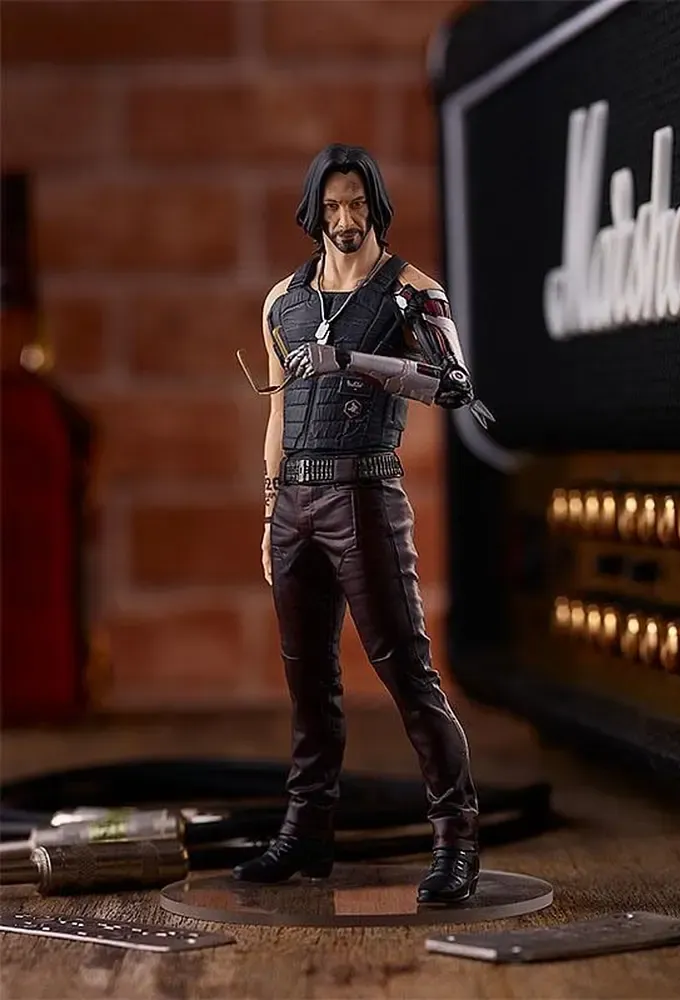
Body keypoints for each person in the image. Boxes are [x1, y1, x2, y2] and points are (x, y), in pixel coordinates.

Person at [232, 144, 494, 905]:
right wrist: (270, 509)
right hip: (296, 504)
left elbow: (453, 385)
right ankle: (306, 832)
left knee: (406, 672)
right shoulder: (283, 301)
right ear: (313, 212)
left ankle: (456, 838)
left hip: (365, 497)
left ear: (375, 206)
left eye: (356, 203)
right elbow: (278, 413)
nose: (345, 219)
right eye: (332, 206)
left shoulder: (412, 292)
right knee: (307, 680)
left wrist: (349, 360)